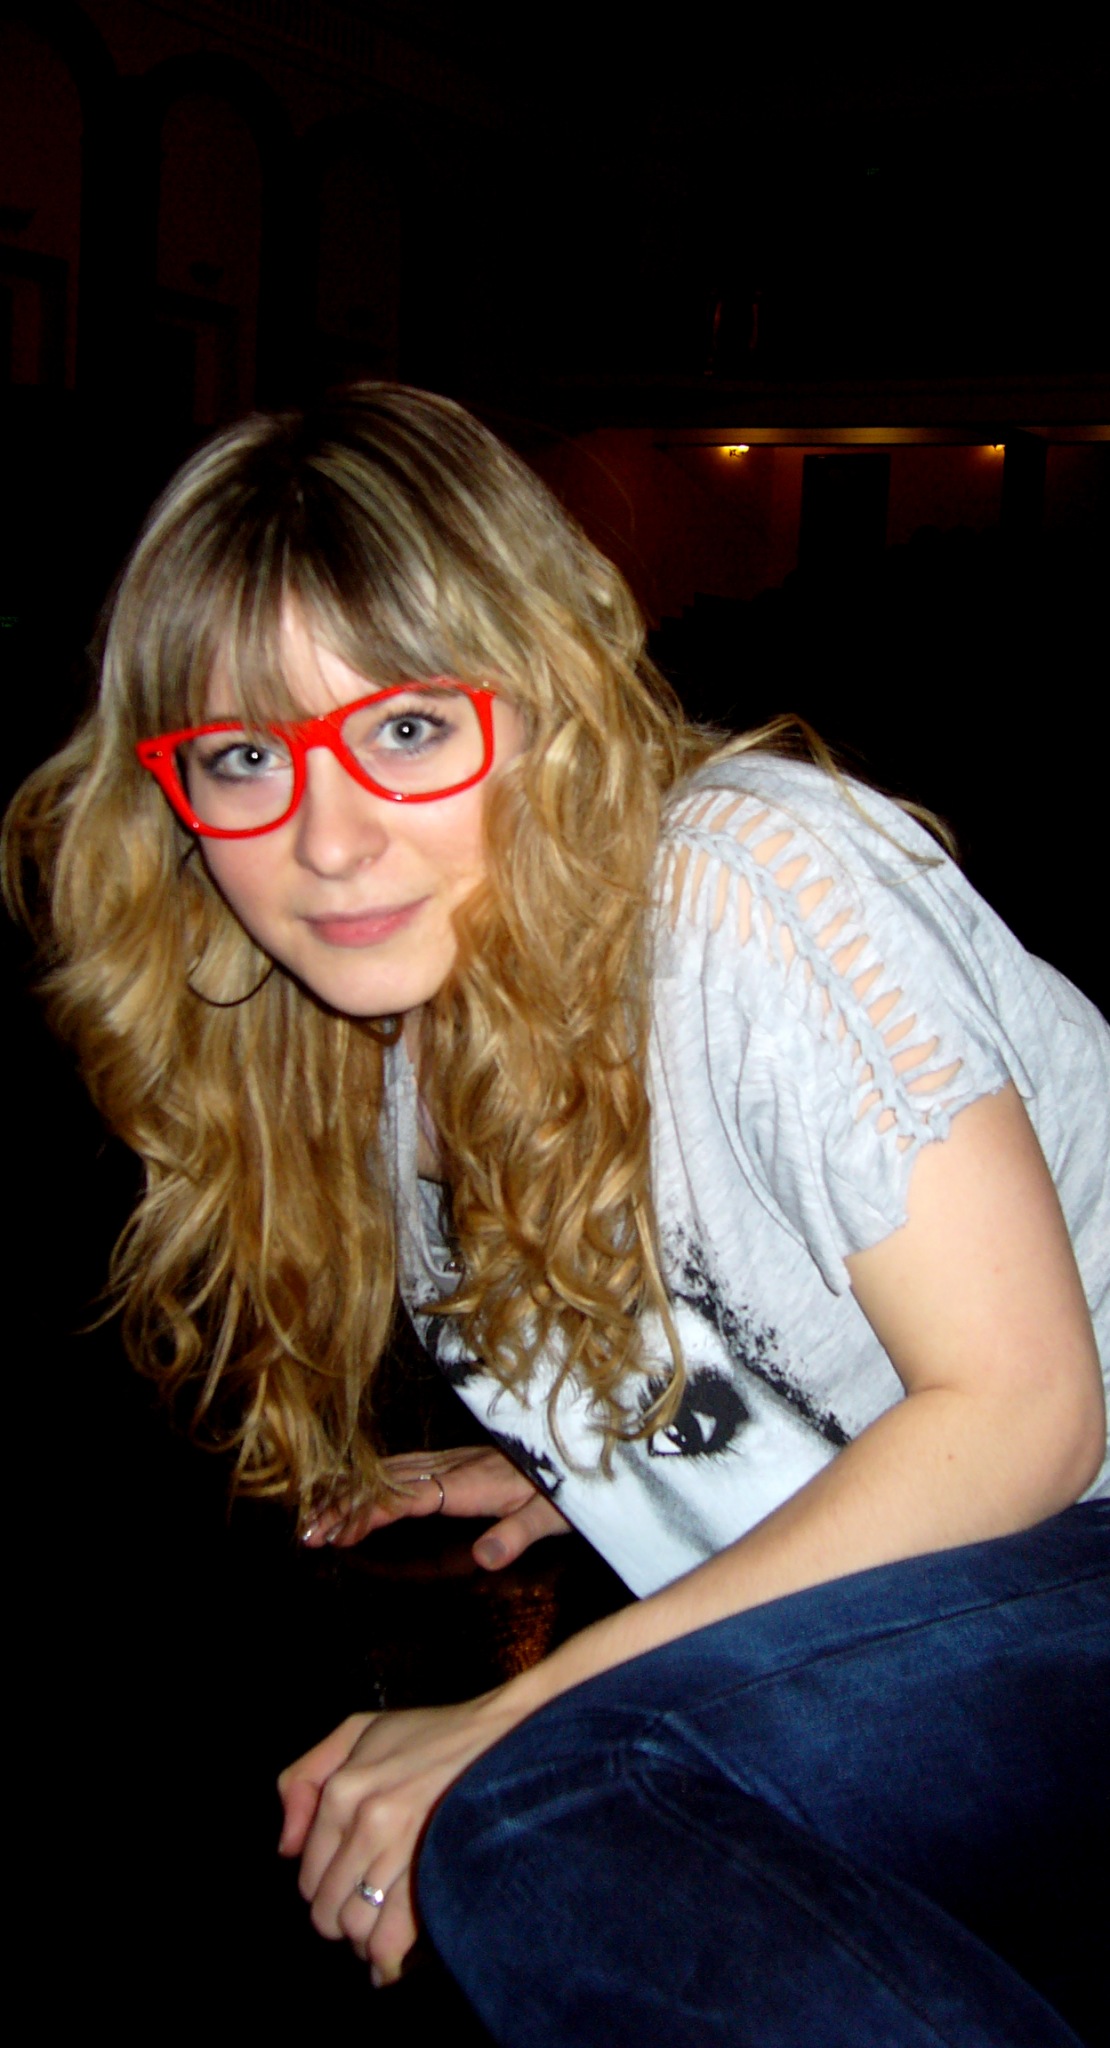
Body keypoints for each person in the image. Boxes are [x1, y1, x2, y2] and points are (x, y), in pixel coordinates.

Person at [6, 384, 1107, 2047]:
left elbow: (1025, 1413)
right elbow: (763, 1315)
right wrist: (607, 1448)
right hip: (965, 1636)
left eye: (406, 729)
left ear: (547, 706)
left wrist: (522, 1716)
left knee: (547, 1810)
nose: (325, 838)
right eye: (243, 756)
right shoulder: (396, 1046)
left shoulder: (742, 882)